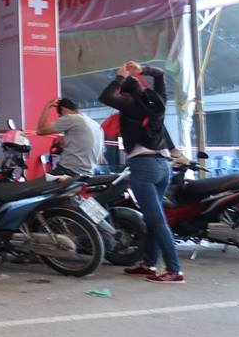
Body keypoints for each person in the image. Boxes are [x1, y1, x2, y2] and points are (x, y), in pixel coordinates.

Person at [99, 61, 185, 284]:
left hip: (144, 167)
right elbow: (160, 74)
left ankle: (174, 270)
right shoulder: (159, 102)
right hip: (162, 166)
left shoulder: (132, 105)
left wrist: (119, 76)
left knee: (157, 220)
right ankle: (149, 263)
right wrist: (143, 70)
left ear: (125, 93)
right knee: (153, 218)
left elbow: (106, 96)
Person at [36, 97, 103, 177]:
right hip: (88, 174)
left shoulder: (71, 118)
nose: (61, 119)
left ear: (63, 110)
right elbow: (100, 158)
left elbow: (40, 130)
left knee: (36, 184)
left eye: (60, 116)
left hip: (68, 171)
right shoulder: (96, 125)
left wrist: (48, 106)